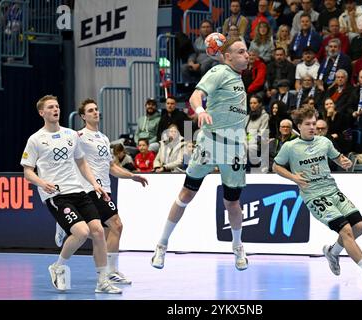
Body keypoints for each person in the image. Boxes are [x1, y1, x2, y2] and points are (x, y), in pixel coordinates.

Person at [151, 38, 250, 271]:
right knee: (186, 194)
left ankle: (238, 247)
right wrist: (200, 110)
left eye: (247, 51)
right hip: (211, 142)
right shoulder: (219, 71)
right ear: (228, 56)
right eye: (241, 51)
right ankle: (162, 245)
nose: (248, 55)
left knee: (232, 202)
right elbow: (196, 96)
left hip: (234, 148)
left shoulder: (236, 76)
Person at [272, 105, 362, 285]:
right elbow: (276, 167)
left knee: (359, 227)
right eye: (308, 124)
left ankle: (333, 252)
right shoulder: (290, 147)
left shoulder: (324, 141)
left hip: (332, 190)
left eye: (314, 123)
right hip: (314, 195)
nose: (312, 127)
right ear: (299, 126)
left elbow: (338, 157)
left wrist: (344, 162)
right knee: (346, 230)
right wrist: (293, 177)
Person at [20, 95, 122, 293]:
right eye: (50, 107)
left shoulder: (70, 135)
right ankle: (58, 267)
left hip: (80, 191)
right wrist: (42, 183)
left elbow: (82, 163)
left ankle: (102, 282)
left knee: (99, 231)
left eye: (57, 106)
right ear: (42, 112)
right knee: (82, 232)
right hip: (57, 195)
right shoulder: (35, 139)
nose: (55, 110)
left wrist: (95, 184)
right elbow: (27, 172)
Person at [55, 98, 149, 285]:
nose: (95, 112)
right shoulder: (78, 136)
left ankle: (103, 273)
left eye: (96, 109)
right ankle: (111, 271)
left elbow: (112, 167)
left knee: (101, 235)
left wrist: (132, 176)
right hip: (90, 189)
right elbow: (68, 160)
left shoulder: (104, 138)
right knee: (117, 225)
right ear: (83, 116)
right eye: (90, 111)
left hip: (105, 188)